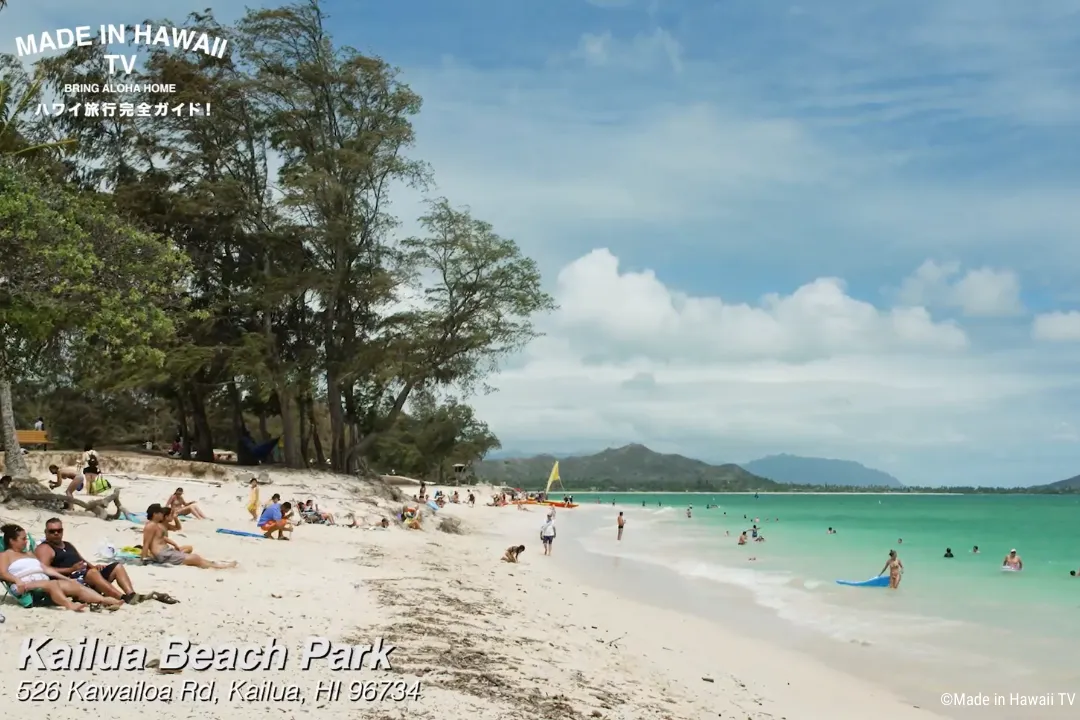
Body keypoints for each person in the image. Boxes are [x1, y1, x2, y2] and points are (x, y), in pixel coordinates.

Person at [0, 524, 121, 611]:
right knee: (51, 584)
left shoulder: (29, 554)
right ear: (12, 541)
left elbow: (46, 569)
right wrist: (16, 580)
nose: (26, 541)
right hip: (24, 586)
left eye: (26, 538)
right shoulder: (5, 555)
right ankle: (69, 605)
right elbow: (2, 573)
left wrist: (67, 579)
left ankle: (104, 601)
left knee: (75, 585)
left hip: (43, 583)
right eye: (23, 539)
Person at [35, 518, 141, 603]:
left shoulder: (67, 544)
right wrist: (70, 569)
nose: (56, 533)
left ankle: (131, 594)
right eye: (52, 531)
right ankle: (121, 597)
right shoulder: (45, 548)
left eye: (59, 530)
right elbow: (44, 569)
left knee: (117, 567)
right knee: (92, 573)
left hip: (87, 575)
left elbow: (82, 560)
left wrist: (94, 566)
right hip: (71, 580)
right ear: (46, 532)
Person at [142, 505, 236, 568]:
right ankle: (219, 566)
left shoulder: (154, 525)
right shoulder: (151, 526)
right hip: (163, 554)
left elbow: (162, 537)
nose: (162, 514)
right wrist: (144, 559)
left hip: (166, 552)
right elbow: (146, 543)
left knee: (195, 557)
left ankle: (216, 564)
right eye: (160, 513)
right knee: (195, 558)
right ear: (155, 514)